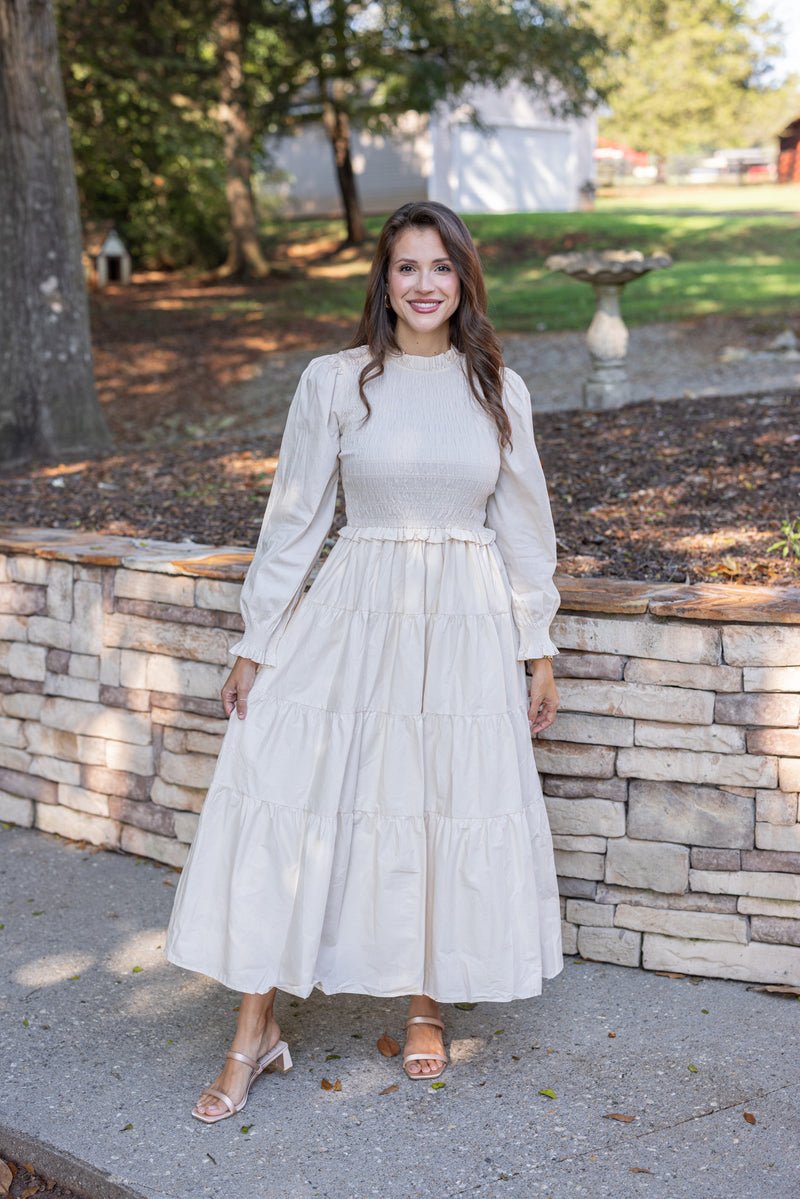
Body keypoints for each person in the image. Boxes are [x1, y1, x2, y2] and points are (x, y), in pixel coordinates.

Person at [164, 200, 562, 1124]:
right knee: (298, 795)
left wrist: (535, 648)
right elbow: (295, 521)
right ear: (383, 282)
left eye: (441, 267)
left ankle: (425, 1001)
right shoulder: (336, 382)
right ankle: (252, 1029)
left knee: (436, 800)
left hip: (460, 622)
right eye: (406, 268)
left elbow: (524, 530)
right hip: (354, 614)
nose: (424, 284)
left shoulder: (498, 388)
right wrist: (256, 642)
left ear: (464, 280)